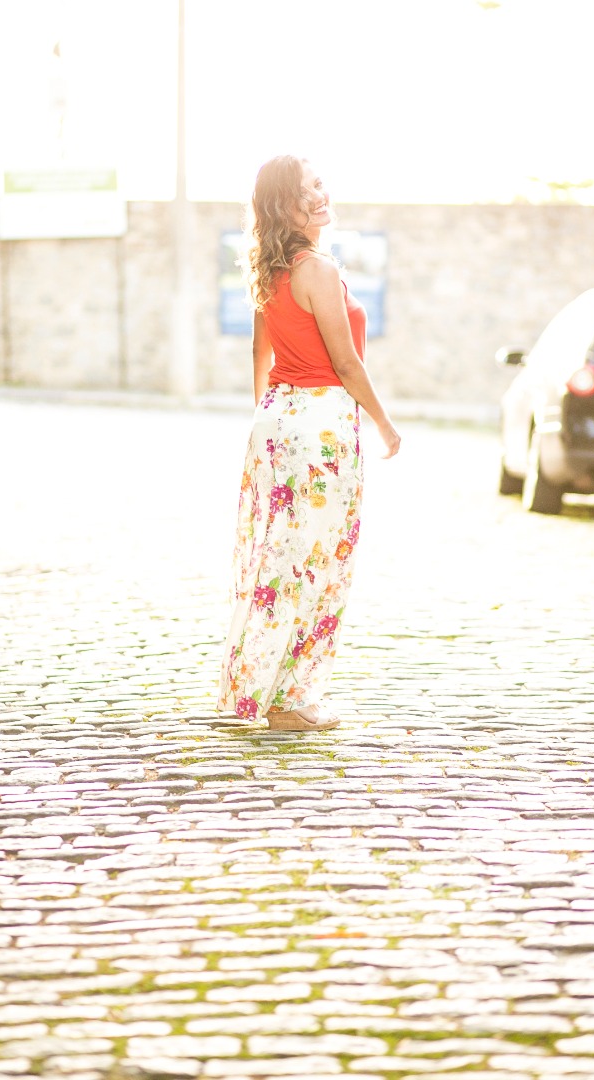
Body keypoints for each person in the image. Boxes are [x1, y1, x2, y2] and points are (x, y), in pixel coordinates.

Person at [217, 155, 400, 732]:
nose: (318, 197)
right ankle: (288, 700)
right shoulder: (316, 269)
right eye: (303, 194)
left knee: (277, 558)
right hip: (320, 424)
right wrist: (386, 425)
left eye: (318, 185)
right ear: (284, 210)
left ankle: (266, 690)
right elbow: (345, 362)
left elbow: (259, 355)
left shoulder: (268, 268)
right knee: (315, 561)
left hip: (277, 420)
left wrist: (269, 423)